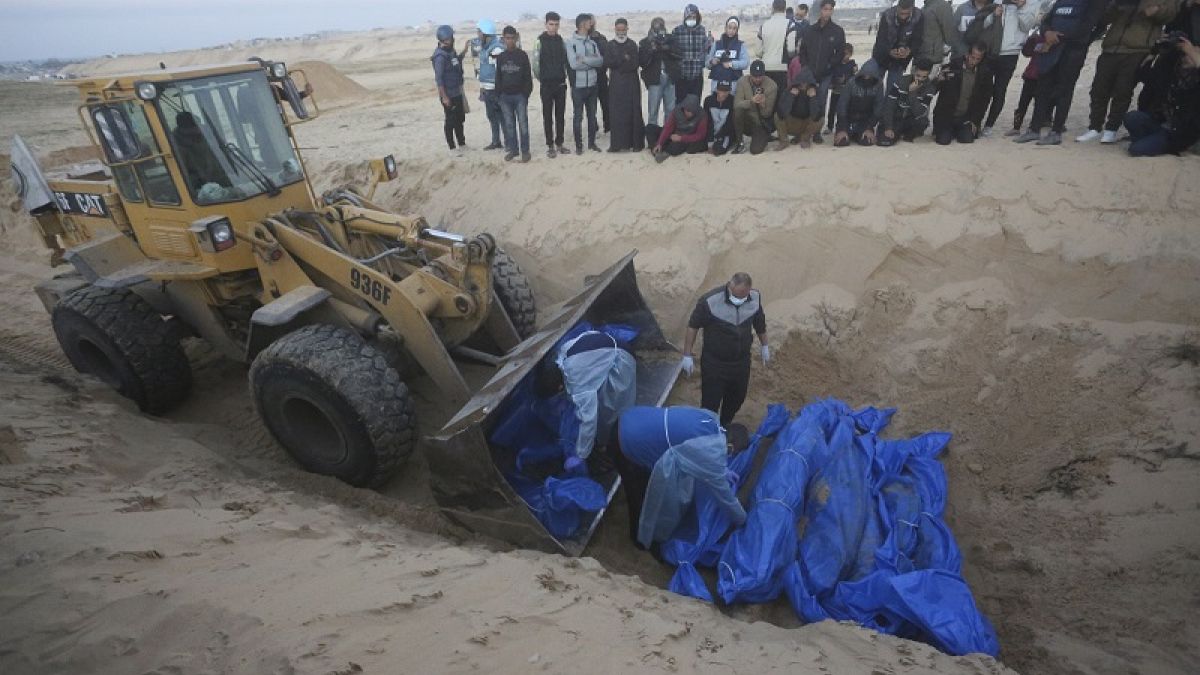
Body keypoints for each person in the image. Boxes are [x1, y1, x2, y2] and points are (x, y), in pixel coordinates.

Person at [610, 406, 748, 549]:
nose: (729, 456)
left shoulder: (710, 421)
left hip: (632, 417)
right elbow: (724, 497)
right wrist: (743, 520)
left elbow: (694, 450)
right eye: (732, 453)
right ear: (730, 447)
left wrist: (724, 471)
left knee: (644, 483)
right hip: (627, 441)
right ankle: (639, 539)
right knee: (642, 494)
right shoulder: (712, 451)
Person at [535, 329, 638, 475]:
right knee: (599, 399)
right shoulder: (561, 356)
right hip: (604, 348)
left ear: (560, 386)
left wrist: (581, 454)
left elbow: (588, 420)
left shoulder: (577, 382)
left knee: (613, 407)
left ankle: (609, 443)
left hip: (622, 358)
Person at [1077, 0, 1178, 144]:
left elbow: (1168, 15)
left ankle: (1111, 129)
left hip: (1138, 50)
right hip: (1111, 48)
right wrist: (1116, 5)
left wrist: (1150, 7)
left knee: (1122, 91)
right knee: (1098, 89)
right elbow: (1104, 18)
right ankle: (1094, 126)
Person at [1014, 0, 1108, 145]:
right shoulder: (1060, 2)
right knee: (1042, 90)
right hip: (1051, 50)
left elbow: (1091, 26)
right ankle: (1034, 129)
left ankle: (1056, 132)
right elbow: (1046, 21)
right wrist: (1047, 32)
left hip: (1073, 52)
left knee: (1064, 91)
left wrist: (1063, 38)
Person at [681, 273, 769, 427]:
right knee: (711, 402)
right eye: (737, 295)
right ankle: (707, 430)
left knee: (737, 397)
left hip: (741, 362)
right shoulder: (709, 301)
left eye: (744, 296)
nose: (740, 299)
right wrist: (687, 355)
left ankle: (724, 424)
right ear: (730, 285)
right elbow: (693, 326)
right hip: (715, 363)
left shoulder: (754, 299)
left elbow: (760, 323)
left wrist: (765, 346)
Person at [1123, 33, 1200, 155]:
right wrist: (1154, 52)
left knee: (1136, 150)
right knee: (1132, 117)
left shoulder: (1195, 81)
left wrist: (1191, 51)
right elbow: (1142, 75)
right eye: (1185, 54)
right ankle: (1149, 142)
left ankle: (1152, 144)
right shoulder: (1171, 72)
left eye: (1192, 55)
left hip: (1178, 133)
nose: (1187, 56)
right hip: (1161, 124)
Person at [984, 0, 1041, 136]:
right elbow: (984, 24)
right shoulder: (996, 2)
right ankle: (976, 121)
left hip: (1010, 53)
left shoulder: (1030, 4)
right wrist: (993, 15)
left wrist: (1020, 5)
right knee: (983, 89)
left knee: (999, 90)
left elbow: (1027, 26)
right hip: (990, 51)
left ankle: (989, 125)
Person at [799, 0, 847, 143]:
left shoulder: (837, 31)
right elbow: (802, 51)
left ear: (832, 11)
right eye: (825, 9)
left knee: (821, 101)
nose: (827, 12)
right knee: (807, 100)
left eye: (830, 9)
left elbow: (840, 53)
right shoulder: (810, 30)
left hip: (826, 74)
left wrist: (829, 65)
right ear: (820, 10)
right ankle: (804, 130)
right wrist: (805, 67)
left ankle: (817, 132)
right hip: (810, 73)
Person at [932, 42, 995, 144]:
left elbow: (985, 100)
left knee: (967, 139)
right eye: (972, 57)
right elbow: (934, 91)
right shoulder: (952, 66)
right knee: (943, 140)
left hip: (966, 117)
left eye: (978, 59)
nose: (973, 61)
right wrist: (938, 80)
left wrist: (975, 121)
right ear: (967, 54)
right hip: (947, 115)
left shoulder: (985, 74)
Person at [533, 12, 572, 158]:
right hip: (546, 85)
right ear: (546, 24)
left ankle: (560, 143)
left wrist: (563, 76)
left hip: (561, 84)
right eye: (551, 24)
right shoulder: (539, 41)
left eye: (556, 24)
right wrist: (542, 79)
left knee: (560, 115)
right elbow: (535, 65)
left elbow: (565, 62)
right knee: (547, 116)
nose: (553, 27)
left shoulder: (561, 41)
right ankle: (550, 145)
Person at [604, 18, 645, 152]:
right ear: (615, 29)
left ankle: (635, 144)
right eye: (618, 30)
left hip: (631, 83)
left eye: (623, 29)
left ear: (627, 29)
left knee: (633, 112)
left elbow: (635, 64)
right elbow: (608, 62)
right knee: (616, 113)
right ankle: (617, 145)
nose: (621, 32)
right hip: (616, 84)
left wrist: (620, 64)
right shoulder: (610, 45)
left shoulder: (632, 44)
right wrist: (623, 58)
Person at [567, 13, 605, 154]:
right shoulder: (570, 43)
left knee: (592, 116)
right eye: (589, 22)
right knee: (578, 116)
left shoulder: (593, 43)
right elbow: (573, 64)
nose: (592, 24)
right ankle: (579, 145)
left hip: (593, 85)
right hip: (578, 86)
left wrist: (584, 59)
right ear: (583, 24)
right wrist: (591, 61)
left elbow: (600, 62)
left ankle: (592, 143)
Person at [495, 26, 533, 163]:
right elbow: (498, 77)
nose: (510, 41)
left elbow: (528, 77)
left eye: (512, 38)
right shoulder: (501, 57)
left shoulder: (522, 55)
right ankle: (513, 150)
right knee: (509, 125)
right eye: (507, 38)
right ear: (503, 39)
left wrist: (525, 94)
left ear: (516, 38)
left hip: (519, 96)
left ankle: (525, 151)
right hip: (505, 97)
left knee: (523, 124)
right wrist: (499, 95)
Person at [880, 56, 937, 144]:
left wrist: (912, 92)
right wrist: (888, 127)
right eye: (918, 75)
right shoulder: (901, 81)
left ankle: (907, 134)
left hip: (911, 119)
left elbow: (919, 112)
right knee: (885, 141)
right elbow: (889, 106)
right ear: (914, 70)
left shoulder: (929, 88)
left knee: (923, 122)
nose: (920, 79)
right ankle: (896, 132)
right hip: (897, 118)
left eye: (924, 77)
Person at [430, 25, 467, 156]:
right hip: (448, 94)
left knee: (459, 119)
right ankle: (452, 147)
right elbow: (439, 79)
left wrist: (464, 52)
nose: (453, 39)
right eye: (451, 37)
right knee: (450, 120)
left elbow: (456, 61)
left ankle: (462, 143)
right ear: (444, 39)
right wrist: (444, 97)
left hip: (457, 91)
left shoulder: (450, 51)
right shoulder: (439, 57)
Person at [872, 0, 926, 88]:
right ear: (897, 8)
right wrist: (889, 51)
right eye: (901, 13)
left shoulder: (919, 17)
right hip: (882, 56)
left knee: (893, 89)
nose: (903, 17)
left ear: (911, 9)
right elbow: (880, 39)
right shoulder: (887, 15)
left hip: (900, 61)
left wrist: (909, 50)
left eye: (906, 14)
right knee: (874, 86)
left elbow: (918, 39)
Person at [834, 59, 886, 146]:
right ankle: (847, 132)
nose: (867, 77)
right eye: (865, 74)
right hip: (847, 119)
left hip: (865, 121)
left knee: (867, 142)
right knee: (841, 142)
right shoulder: (851, 83)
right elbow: (842, 105)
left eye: (870, 75)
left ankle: (858, 134)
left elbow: (879, 107)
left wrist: (870, 127)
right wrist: (842, 128)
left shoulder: (879, 85)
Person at [733, 60, 780, 153]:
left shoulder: (772, 86)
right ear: (750, 74)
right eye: (755, 76)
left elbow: (767, 114)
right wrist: (751, 102)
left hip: (761, 123)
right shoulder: (742, 82)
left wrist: (763, 104)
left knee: (755, 150)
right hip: (747, 119)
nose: (758, 79)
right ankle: (740, 143)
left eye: (760, 76)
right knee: (737, 111)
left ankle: (765, 136)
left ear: (764, 74)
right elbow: (736, 105)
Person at [640, 17, 681, 127]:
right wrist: (652, 49)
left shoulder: (671, 39)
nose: (659, 29)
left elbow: (679, 54)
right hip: (655, 80)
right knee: (653, 110)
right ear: (652, 27)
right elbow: (642, 62)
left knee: (670, 110)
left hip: (670, 78)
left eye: (661, 25)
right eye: (656, 26)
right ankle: (653, 138)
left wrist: (667, 48)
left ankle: (666, 137)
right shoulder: (645, 42)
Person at [774, 66, 825, 149]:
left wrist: (813, 98)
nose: (803, 86)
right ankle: (784, 141)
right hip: (793, 122)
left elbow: (817, 116)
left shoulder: (817, 91)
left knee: (821, 119)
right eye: (801, 83)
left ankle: (804, 139)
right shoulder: (789, 90)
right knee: (777, 116)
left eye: (806, 83)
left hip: (807, 123)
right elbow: (781, 113)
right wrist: (791, 96)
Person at [476, 19, 506, 151]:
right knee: (492, 117)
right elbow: (484, 67)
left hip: (496, 90)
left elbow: (500, 70)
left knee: (503, 117)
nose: (477, 34)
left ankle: (509, 143)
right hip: (487, 89)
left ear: (486, 33)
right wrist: (482, 86)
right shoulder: (485, 47)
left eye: (479, 32)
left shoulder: (497, 48)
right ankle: (496, 141)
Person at [674, 4, 713, 103]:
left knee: (694, 106)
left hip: (697, 76)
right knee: (680, 106)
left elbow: (706, 50)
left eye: (694, 17)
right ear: (685, 17)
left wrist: (710, 43)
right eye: (689, 17)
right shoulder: (677, 31)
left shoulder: (701, 30)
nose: (692, 19)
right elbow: (673, 52)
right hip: (682, 77)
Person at [653, 94, 709, 161]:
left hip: (687, 138)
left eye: (691, 111)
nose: (688, 113)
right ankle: (656, 148)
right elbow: (668, 127)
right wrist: (660, 143)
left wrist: (681, 138)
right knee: (650, 128)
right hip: (675, 133)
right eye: (687, 110)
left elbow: (700, 135)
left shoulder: (702, 115)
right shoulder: (677, 110)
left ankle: (665, 152)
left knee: (678, 147)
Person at [759, 0, 795, 92]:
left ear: (773, 8)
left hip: (766, 67)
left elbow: (758, 51)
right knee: (780, 100)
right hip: (781, 68)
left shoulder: (764, 25)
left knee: (767, 99)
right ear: (784, 9)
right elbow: (791, 50)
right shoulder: (790, 25)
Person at [708, 17, 751, 93]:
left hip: (733, 82)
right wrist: (712, 61)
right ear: (725, 28)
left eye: (734, 28)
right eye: (729, 27)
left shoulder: (740, 45)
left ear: (737, 30)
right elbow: (707, 62)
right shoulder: (716, 44)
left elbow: (746, 63)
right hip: (716, 81)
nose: (731, 30)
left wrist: (731, 64)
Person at [826, 43, 858, 133]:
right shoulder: (836, 64)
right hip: (836, 90)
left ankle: (843, 126)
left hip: (847, 92)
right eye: (843, 54)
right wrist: (834, 81)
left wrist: (846, 78)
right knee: (832, 110)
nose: (844, 56)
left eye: (847, 54)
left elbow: (854, 77)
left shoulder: (852, 64)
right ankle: (829, 127)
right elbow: (832, 75)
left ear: (851, 54)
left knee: (845, 110)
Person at [589, 23, 612, 134]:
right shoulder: (583, 40)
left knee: (606, 103)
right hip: (588, 77)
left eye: (592, 22)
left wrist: (602, 67)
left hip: (602, 76)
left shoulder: (602, 39)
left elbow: (607, 57)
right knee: (591, 106)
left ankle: (608, 126)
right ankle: (594, 128)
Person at [705, 81, 738, 154]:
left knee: (718, 150)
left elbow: (730, 123)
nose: (723, 93)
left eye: (726, 90)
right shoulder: (708, 100)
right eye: (721, 90)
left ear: (730, 91)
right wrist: (710, 141)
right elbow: (707, 121)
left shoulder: (732, 101)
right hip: (711, 131)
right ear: (716, 89)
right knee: (697, 147)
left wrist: (719, 136)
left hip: (725, 133)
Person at [920, 0, 957, 66]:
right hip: (921, 54)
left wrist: (946, 52)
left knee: (931, 76)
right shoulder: (925, 6)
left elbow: (949, 33)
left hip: (933, 57)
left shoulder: (943, 6)